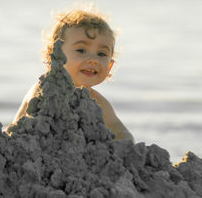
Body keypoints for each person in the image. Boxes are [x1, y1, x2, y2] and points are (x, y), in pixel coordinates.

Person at [11, 7, 135, 142]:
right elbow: (14, 129)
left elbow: (121, 132)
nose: (93, 59)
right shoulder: (43, 93)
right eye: (81, 50)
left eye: (102, 54)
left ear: (110, 66)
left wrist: (126, 145)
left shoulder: (98, 102)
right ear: (55, 55)